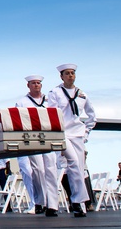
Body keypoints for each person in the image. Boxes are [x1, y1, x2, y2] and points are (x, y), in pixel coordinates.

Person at [46, 63, 96, 218]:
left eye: (72, 73)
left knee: (79, 169)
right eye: (67, 73)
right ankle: (76, 202)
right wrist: (58, 136)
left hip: (78, 134)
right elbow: (52, 114)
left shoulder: (82, 94)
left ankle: (78, 204)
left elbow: (92, 116)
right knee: (73, 162)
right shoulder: (55, 92)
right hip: (64, 133)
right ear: (61, 76)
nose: (70, 76)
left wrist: (86, 132)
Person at [15, 74, 60, 217]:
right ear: (28, 85)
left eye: (38, 83)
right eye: (33, 83)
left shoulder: (49, 101)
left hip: (49, 137)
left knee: (51, 169)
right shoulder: (22, 102)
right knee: (38, 170)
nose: (36, 85)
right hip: (33, 138)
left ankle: (52, 204)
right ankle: (40, 201)